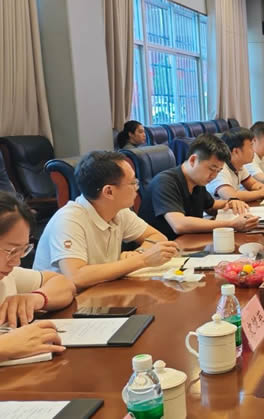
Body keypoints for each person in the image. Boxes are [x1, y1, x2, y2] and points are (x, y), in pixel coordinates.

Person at [33, 151, 179, 290]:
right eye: (132, 182)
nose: (137, 188)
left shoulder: (119, 211)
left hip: (100, 291)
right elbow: (76, 276)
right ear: (109, 191)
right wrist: (142, 260)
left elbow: (157, 237)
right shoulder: (69, 219)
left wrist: (139, 253)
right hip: (65, 301)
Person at [0, 192, 75, 363]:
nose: (16, 262)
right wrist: (5, 346)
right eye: (11, 251)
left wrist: (37, 298)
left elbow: (64, 284)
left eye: (22, 250)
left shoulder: (7, 276)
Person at [139, 134, 259, 239]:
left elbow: (211, 206)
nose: (214, 176)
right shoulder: (165, 182)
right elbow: (179, 224)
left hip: (187, 242)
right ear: (193, 160)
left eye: (218, 171)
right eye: (212, 169)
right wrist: (231, 224)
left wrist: (231, 202)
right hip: (162, 248)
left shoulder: (197, 181)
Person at [206, 128, 264, 202]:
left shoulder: (239, 166)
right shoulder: (220, 169)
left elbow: (252, 184)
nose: (253, 150)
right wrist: (261, 193)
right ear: (236, 151)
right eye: (251, 146)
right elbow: (232, 196)